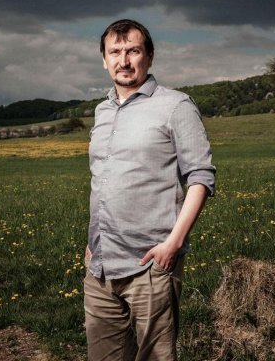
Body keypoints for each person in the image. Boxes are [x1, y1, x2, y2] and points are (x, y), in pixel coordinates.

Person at [84, 19, 215, 361]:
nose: (124, 61)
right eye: (115, 52)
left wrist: (173, 244)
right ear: (104, 59)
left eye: (133, 51)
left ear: (150, 57)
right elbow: (103, 179)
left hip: (151, 265)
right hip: (100, 267)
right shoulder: (102, 111)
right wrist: (93, 241)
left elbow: (201, 177)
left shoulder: (176, 106)